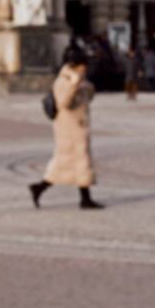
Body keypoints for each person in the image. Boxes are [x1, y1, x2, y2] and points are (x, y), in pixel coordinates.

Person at [29, 44, 103, 210]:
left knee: (77, 162)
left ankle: (83, 198)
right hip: (69, 129)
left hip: (78, 127)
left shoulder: (78, 80)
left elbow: (88, 98)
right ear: (76, 65)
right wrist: (74, 85)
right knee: (70, 162)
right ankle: (41, 188)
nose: (85, 69)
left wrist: (85, 86)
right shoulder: (63, 80)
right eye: (84, 66)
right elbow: (64, 103)